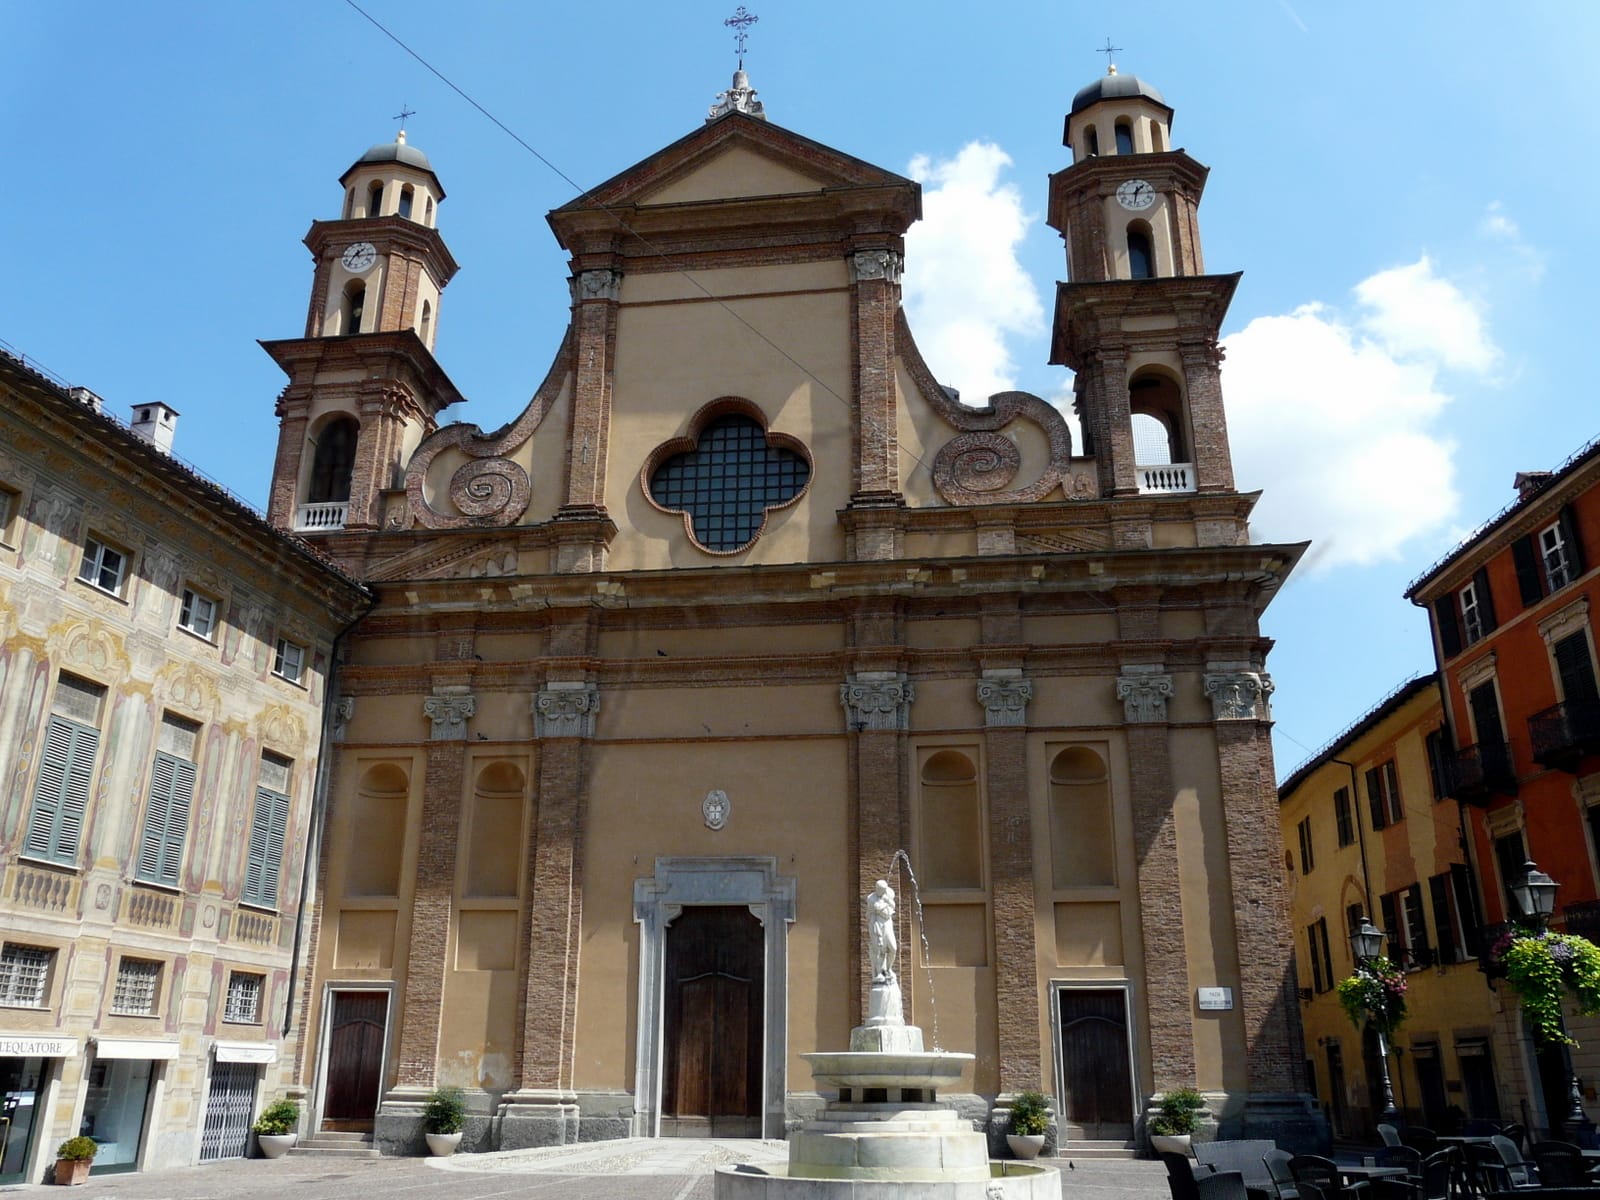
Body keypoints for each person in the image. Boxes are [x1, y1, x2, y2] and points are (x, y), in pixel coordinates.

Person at [866, 879, 897, 982]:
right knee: (878, 949)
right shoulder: (871, 898)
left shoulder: (888, 893)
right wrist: (887, 904)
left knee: (893, 948)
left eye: (883, 889)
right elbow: (879, 909)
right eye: (879, 889)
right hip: (876, 924)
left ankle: (888, 969)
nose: (881, 891)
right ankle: (879, 972)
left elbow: (893, 906)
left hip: (887, 925)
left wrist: (888, 902)